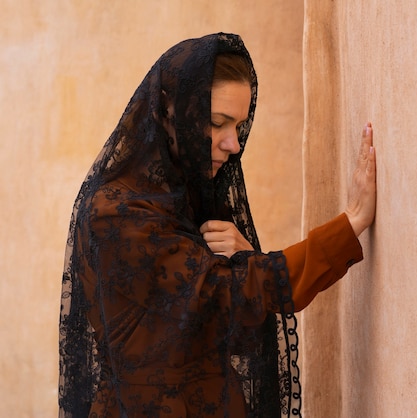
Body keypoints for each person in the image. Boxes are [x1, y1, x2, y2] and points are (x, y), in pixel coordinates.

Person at [58, 33, 376, 418]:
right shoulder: (116, 212)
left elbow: (234, 330)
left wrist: (242, 257)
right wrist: (352, 221)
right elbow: (226, 294)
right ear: (167, 110)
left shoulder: (187, 201)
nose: (233, 144)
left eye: (239, 126)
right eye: (217, 122)